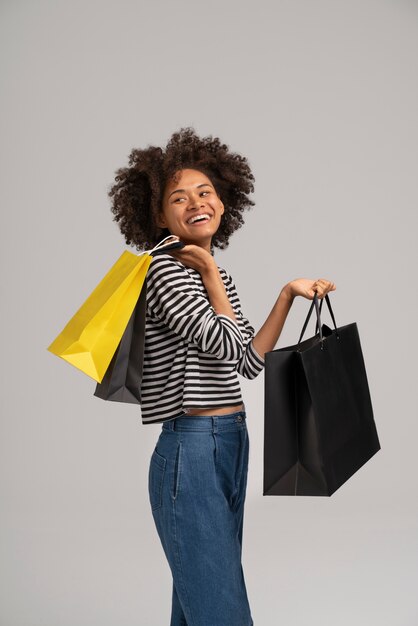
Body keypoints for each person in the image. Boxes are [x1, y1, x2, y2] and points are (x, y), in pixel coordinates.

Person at [109, 127, 336, 626]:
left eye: (205, 191)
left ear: (224, 200)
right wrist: (211, 275)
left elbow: (249, 363)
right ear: (158, 216)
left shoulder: (216, 273)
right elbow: (228, 343)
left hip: (232, 441)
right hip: (190, 450)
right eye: (179, 198)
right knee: (221, 611)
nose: (196, 203)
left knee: (201, 607)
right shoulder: (164, 274)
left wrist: (286, 294)